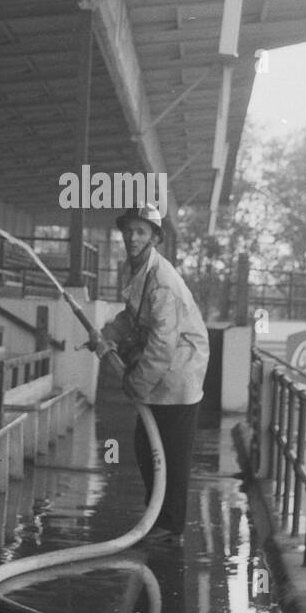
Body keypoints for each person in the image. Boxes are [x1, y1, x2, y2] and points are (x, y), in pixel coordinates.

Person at [95, 205, 210, 545]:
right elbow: (132, 318)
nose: (132, 237)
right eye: (129, 230)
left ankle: (169, 528)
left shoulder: (162, 282)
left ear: (155, 237)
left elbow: (162, 345)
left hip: (179, 373)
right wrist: (107, 335)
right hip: (165, 371)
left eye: (141, 231)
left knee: (170, 454)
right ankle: (156, 517)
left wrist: (135, 384)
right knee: (146, 448)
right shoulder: (140, 271)